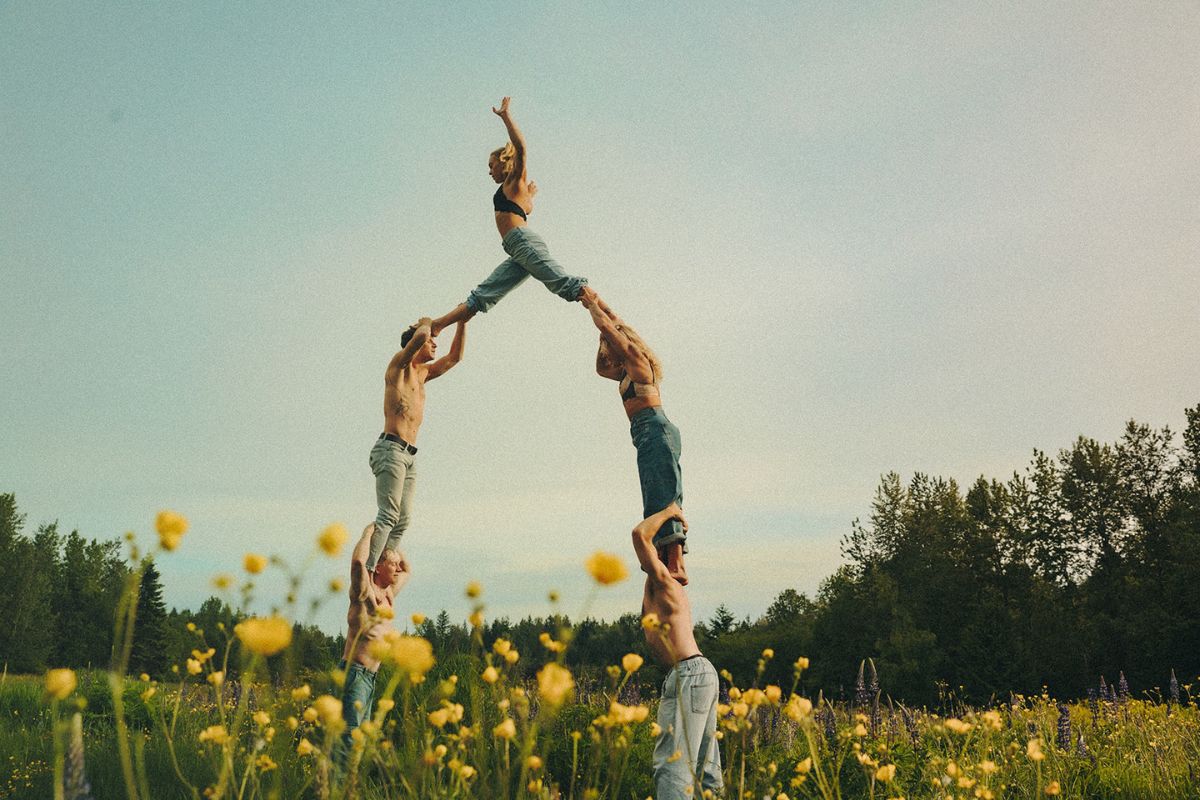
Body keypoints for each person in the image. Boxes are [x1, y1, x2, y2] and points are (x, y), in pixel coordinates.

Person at [431, 97, 596, 333]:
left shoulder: (514, 180)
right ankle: (437, 325)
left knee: (562, 283)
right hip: (516, 247)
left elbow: (521, 148)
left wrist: (506, 117)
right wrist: (531, 195)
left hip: (522, 241)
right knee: (484, 294)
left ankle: (602, 311)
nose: (489, 171)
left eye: (491, 165)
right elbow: (522, 209)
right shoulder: (519, 192)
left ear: (503, 162)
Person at [585, 294, 687, 582]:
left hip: (656, 429)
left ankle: (677, 563)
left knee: (665, 496)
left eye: (610, 345)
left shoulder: (639, 362)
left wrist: (592, 308)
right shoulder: (622, 373)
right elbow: (600, 368)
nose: (608, 351)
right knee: (654, 499)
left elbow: (611, 328)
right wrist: (600, 314)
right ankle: (666, 559)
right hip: (644, 434)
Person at [633, 502, 722, 799]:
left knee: (673, 766)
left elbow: (638, 535)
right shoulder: (658, 585)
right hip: (694, 674)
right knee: (706, 771)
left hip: (690, 674)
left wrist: (669, 512)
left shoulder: (665, 583)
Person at [367, 316, 466, 571]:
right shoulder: (398, 367)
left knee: (403, 520)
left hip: (409, 456)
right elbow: (421, 336)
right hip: (391, 449)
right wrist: (426, 322)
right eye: (431, 341)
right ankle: (367, 570)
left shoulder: (423, 375)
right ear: (414, 343)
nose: (434, 344)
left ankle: (383, 568)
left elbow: (455, 358)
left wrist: (462, 322)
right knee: (389, 515)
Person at [340, 523, 411, 751]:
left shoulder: (389, 595)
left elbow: (408, 570)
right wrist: (370, 531)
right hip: (355, 674)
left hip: (370, 678)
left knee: (361, 742)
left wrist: (393, 535)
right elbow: (359, 563)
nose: (398, 568)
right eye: (393, 564)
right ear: (379, 567)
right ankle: (338, 785)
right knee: (349, 740)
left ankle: (349, 785)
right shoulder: (363, 593)